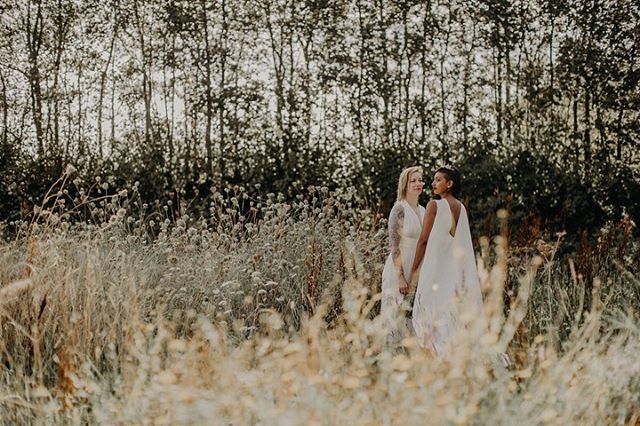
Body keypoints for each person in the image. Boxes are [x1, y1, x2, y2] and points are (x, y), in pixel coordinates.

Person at [409, 165, 485, 355]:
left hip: (435, 271)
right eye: (433, 179)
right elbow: (455, 240)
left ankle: (437, 357)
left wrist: (412, 271)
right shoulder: (461, 208)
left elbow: (424, 240)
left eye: (438, 180)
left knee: (425, 313)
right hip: (454, 273)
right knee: (449, 315)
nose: (433, 183)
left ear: (449, 184)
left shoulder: (434, 205)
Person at [380, 166, 425, 350]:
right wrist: (400, 277)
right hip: (399, 269)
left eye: (420, 180)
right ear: (405, 184)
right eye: (413, 180)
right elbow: (394, 245)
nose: (418, 184)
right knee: (395, 315)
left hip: (417, 268)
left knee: (414, 315)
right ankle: (391, 358)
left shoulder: (423, 210)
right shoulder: (399, 209)